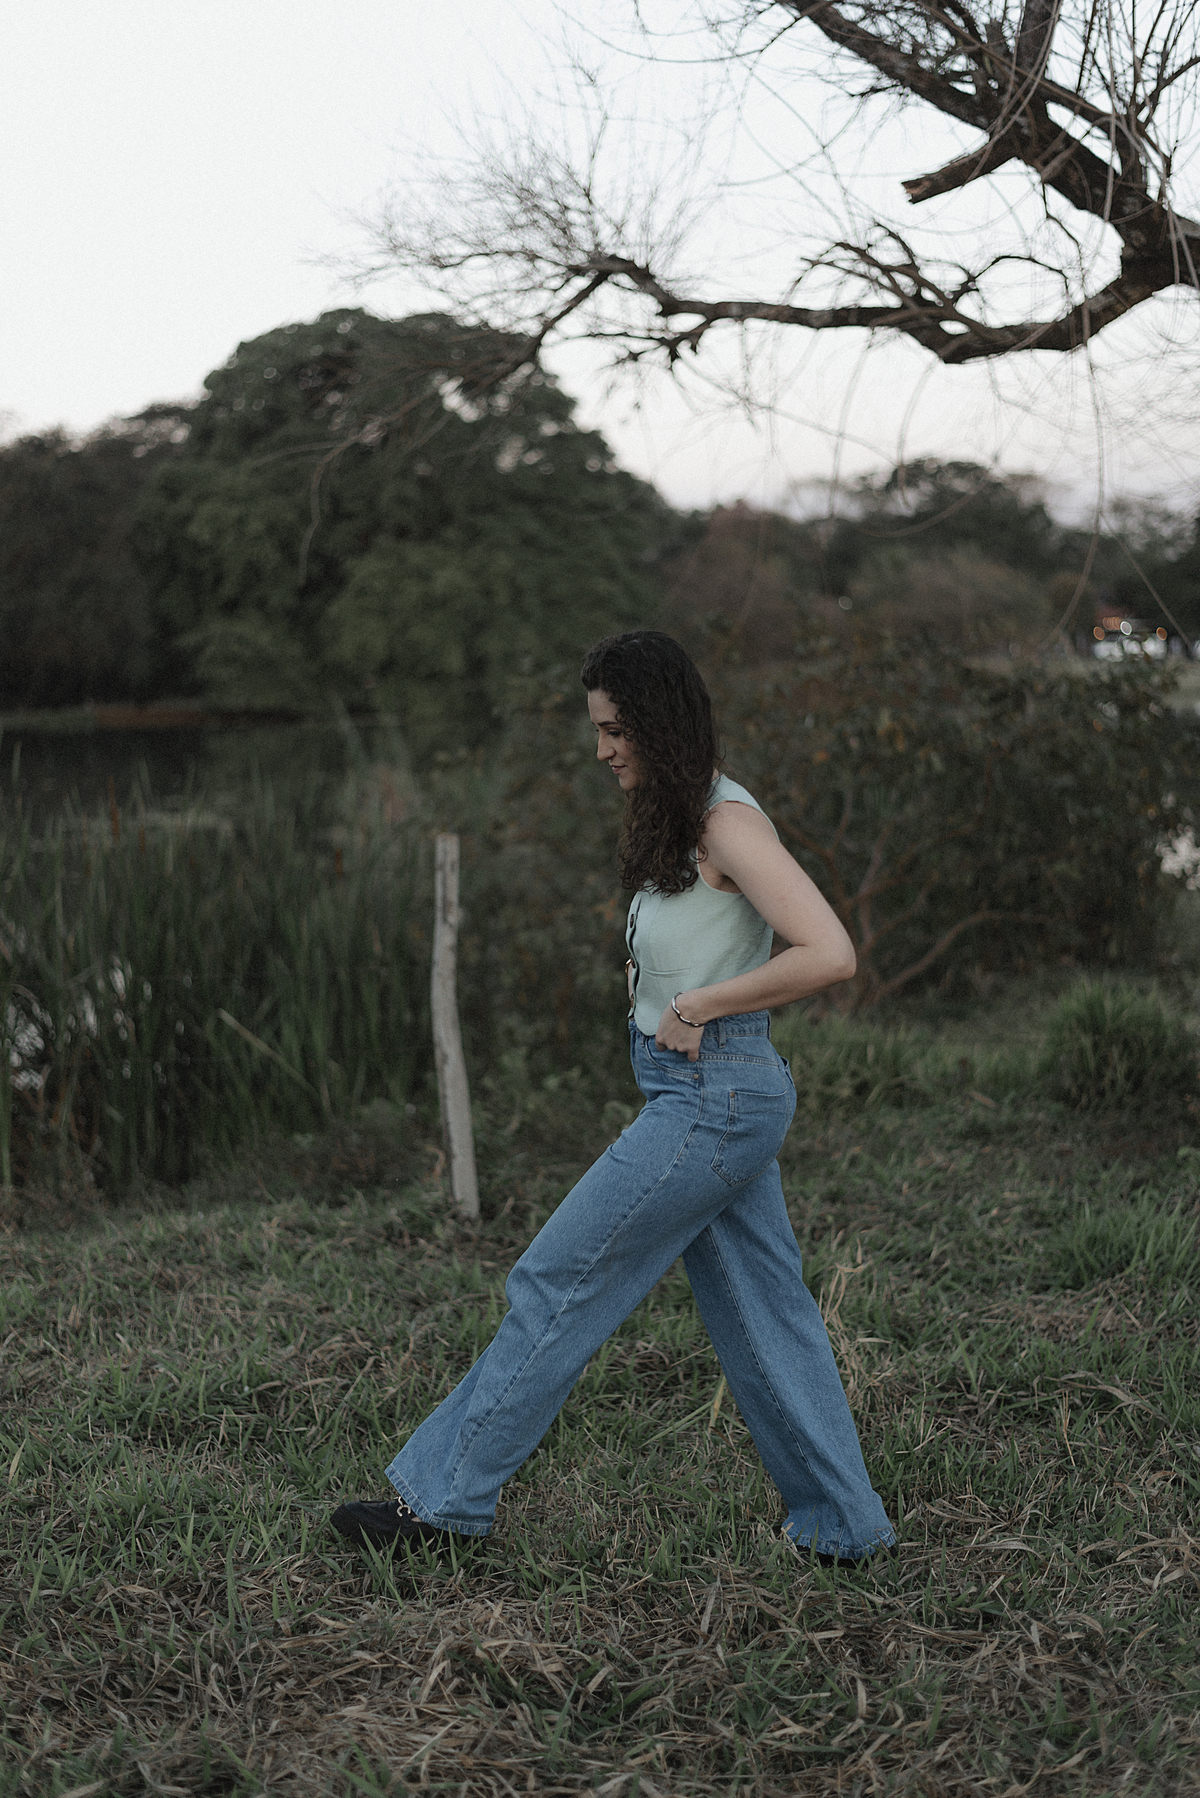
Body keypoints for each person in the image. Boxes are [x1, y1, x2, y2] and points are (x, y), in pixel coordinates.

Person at [332, 631, 894, 1567]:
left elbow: (829, 952)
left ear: (660, 724)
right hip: (706, 1093)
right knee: (767, 1310)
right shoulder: (681, 818)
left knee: (557, 1278)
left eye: (616, 730)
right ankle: (844, 1527)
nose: (601, 750)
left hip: (714, 1097)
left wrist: (702, 1004)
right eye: (598, 729)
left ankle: (442, 1505)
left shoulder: (727, 824)